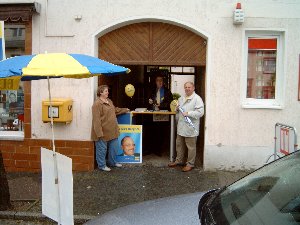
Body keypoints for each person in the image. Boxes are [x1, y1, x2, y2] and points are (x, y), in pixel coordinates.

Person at [91, 85, 130, 172]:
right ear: (100, 92)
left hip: (113, 130)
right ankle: (102, 165)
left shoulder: (109, 101)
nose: (108, 92)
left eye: (107, 91)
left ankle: (112, 162)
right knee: (102, 149)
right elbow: (96, 120)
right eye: (106, 91)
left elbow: (115, 110)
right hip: (103, 132)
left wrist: (125, 110)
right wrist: (99, 133)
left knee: (114, 148)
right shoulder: (97, 104)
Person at [168, 82, 204, 172]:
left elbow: (200, 113)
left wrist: (189, 113)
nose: (187, 89)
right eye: (186, 87)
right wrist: (176, 109)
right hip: (181, 126)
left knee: (191, 147)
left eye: (189, 87)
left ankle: (190, 164)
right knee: (179, 145)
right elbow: (178, 111)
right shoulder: (181, 98)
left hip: (191, 127)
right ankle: (179, 160)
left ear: (193, 88)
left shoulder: (197, 99)